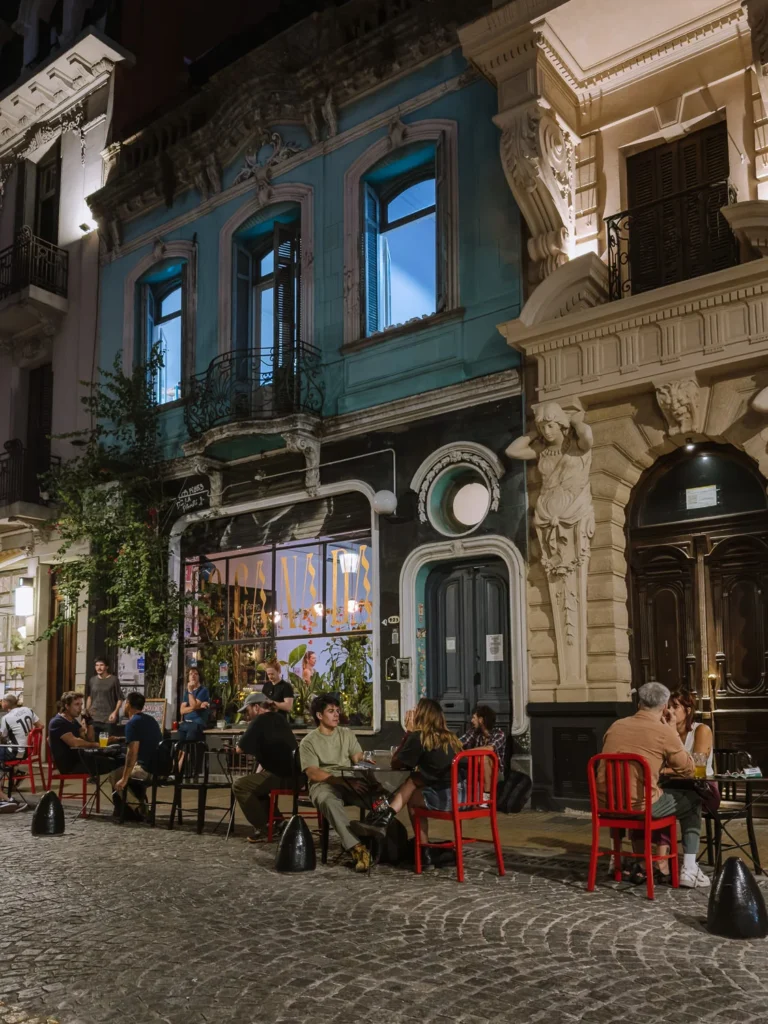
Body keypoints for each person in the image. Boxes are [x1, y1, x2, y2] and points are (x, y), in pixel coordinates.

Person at [599, 681, 708, 889]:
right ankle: (689, 868)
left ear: (639, 703)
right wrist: (672, 731)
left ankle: (626, 860)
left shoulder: (616, 726)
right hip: (640, 806)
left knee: (648, 793)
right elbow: (689, 769)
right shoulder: (663, 731)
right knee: (693, 800)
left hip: (607, 804)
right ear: (665, 706)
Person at [357, 699, 463, 871]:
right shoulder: (452, 738)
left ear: (422, 715)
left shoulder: (420, 737)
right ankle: (421, 848)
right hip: (465, 796)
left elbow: (396, 764)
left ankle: (392, 825)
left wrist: (408, 733)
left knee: (412, 789)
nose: (412, 712)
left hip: (447, 798)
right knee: (415, 781)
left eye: (416, 710)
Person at [299, 693, 373, 872]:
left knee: (382, 797)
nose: (336, 715)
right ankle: (356, 848)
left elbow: (357, 757)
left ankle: (381, 841)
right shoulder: (309, 741)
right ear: (319, 716)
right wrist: (337, 781)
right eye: (331, 711)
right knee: (328, 800)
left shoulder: (346, 734)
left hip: (349, 779)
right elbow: (313, 772)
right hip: (323, 783)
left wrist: (367, 760)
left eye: (337, 711)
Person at [232, 692, 298, 842]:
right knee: (255, 786)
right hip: (295, 775)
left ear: (256, 708)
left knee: (240, 786)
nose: (246, 716)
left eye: (247, 711)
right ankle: (279, 822)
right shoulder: (280, 719)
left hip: (281, 776)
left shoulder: (259, 721)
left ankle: (265, 827)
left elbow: (239, 749)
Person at [109, 691, 162, 818]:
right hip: (160, 767)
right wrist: (121, 739)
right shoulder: (151, 720)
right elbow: (145, 738)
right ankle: (129, 809)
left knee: (114, 776)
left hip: (146, 769)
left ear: (127, 704)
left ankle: (138, 808)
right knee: (122, 773)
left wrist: (124, 778)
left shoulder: (132, 723)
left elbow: (132, 753)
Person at [48, 691, 122, 778]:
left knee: (119, 756)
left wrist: (89, 722)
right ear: (67, 706)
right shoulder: (58, 722)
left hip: (82, 759)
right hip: (71, 765)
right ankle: (118, 789)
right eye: (76, 704)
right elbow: (75, 742)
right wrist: (96, 745)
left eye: (81, 704)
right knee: (116, 762)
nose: (80, 708)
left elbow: (89, 739)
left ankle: (117, 788)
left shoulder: (73, 721)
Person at [0, 695, 41, 798]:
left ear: (5, 703)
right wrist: (28, 734)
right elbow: (40, 726)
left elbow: (2, 736)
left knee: (4, 749)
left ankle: (2, 790)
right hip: (29, 750)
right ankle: (16, 774)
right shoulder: (28, 710)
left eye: (2, 701)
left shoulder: (6, 718)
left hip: (17, 752)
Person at [84, 658, 122, 739]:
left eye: (101, 665)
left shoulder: (113, 680)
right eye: (97, 665)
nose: (99, 668)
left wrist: (115, 712)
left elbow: (120, 698)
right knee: (93, 744)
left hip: (108, 718)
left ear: (107, 667)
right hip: (94, 718)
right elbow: (90, 697)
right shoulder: (92, 680)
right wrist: (87, 712)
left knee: (106, 744)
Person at [178, 667, 210, 742]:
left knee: (189, 742)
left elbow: (193, 705)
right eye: (190, 674)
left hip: (197, 723)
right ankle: (182, 753)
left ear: (199, 677)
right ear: (188, 678)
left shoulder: (203, 690)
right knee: (180, 743)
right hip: (186, 723)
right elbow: (182, 711)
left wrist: (190, 691)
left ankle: (188, 753)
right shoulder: (186, 693)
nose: (193, 676)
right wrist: (197, 707)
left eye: (195, 674)